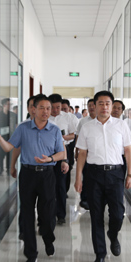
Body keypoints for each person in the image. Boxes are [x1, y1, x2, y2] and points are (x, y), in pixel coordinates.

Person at [0, 94, 65, 262]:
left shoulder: (54, 130)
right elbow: (9, 147)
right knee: (27, 214)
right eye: (42, 108)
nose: (46, 111)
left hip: (47, 175)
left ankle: (48, 239)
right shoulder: (23, 128)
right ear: (33, 110)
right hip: (28, 175)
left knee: (47, 215)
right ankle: (31, 253)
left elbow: (61, 153)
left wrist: (50, 159)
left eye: (48, 108)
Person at [74, 90, 131, 262]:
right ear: (94, 106)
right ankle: (100, 254)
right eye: (100, 103)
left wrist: (130, 174)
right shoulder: (87, 127)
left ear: (112, 105)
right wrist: (78, 178)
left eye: (108, 103)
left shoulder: (121, 125)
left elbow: (128, 151)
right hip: (94, 175)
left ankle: (113, 235)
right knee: (96, 216)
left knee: (117, 214)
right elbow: (82, 154)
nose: (104, 107)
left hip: (116, 174)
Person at [47, 94, 76, 224]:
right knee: (47, 185)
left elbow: (73, 135)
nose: (55, 110)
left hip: (63, 151)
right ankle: (48, 213)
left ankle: (61, 214)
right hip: (47, 152)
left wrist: (62, 138)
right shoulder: (44, 116)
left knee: (60, 184)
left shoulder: (67, 117)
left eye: (58, 107)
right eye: (52, 107)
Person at [75, 98, 97, 211]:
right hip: (85, 153)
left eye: (93, 105)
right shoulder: (83, 121)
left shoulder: (102, 121)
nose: (91, 107)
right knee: (86, 176)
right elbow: (78, 137)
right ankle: (84, 199)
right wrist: (76, 152)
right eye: (89, 105)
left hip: (97, 155)